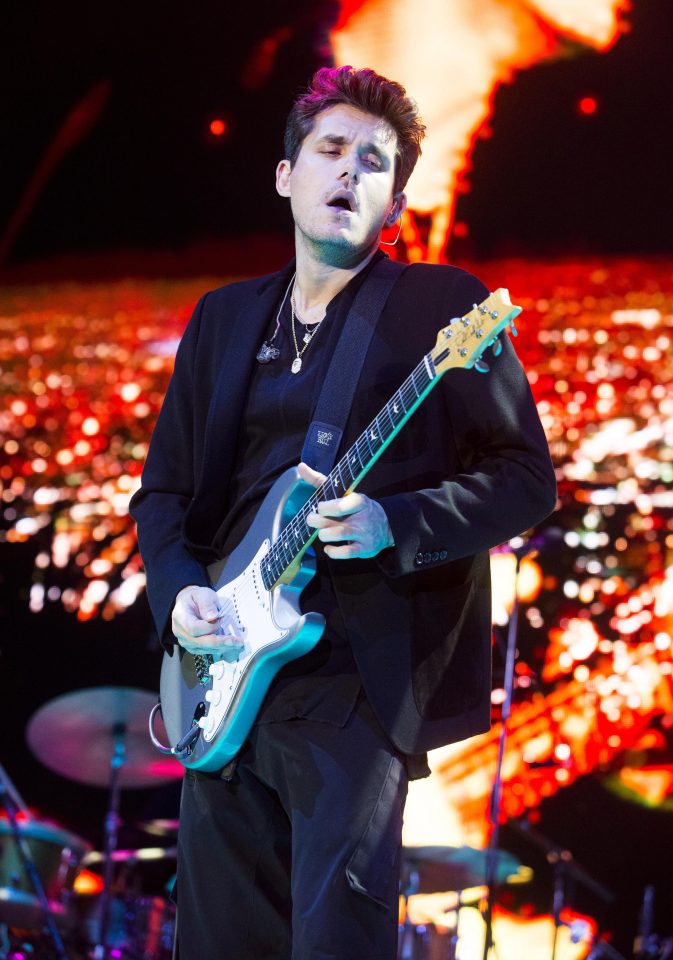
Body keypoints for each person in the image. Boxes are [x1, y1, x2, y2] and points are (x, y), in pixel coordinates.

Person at [130, 65, 557, 960]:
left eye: (375, 161)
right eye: (330, 151)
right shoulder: (221, 319)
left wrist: (395, 522)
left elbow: (525, 477)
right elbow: (164, 491)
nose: (350, 171)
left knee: (334, 938)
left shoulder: (442, 307)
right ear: (286, 176)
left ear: (394, 202)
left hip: (356, 678)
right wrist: (178, 595)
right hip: (225, 671)